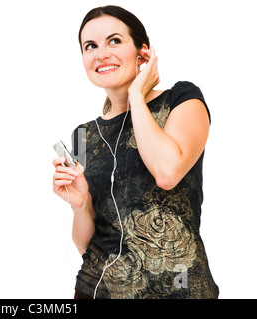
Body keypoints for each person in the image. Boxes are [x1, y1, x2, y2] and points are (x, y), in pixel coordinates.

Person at [52, 5, 219, 299]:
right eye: (90, 46)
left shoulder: (182, 99)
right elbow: (86, 245)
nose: (101, 53)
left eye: (114, 41)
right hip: (95, 290)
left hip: (177, 289)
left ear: (143, 53)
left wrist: (136, 96)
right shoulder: (82, 135)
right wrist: (79, 205)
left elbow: (167, 172)